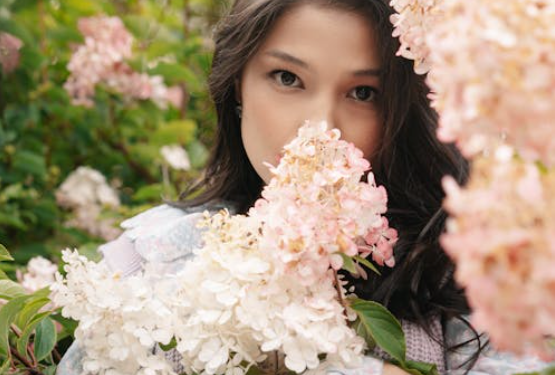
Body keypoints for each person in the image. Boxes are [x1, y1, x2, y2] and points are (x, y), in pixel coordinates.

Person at [56, 0, 551, 374]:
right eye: (287, 78)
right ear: (237, 88)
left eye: (363, 93)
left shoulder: (466, 278)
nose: (318, 128)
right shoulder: (151, 257)